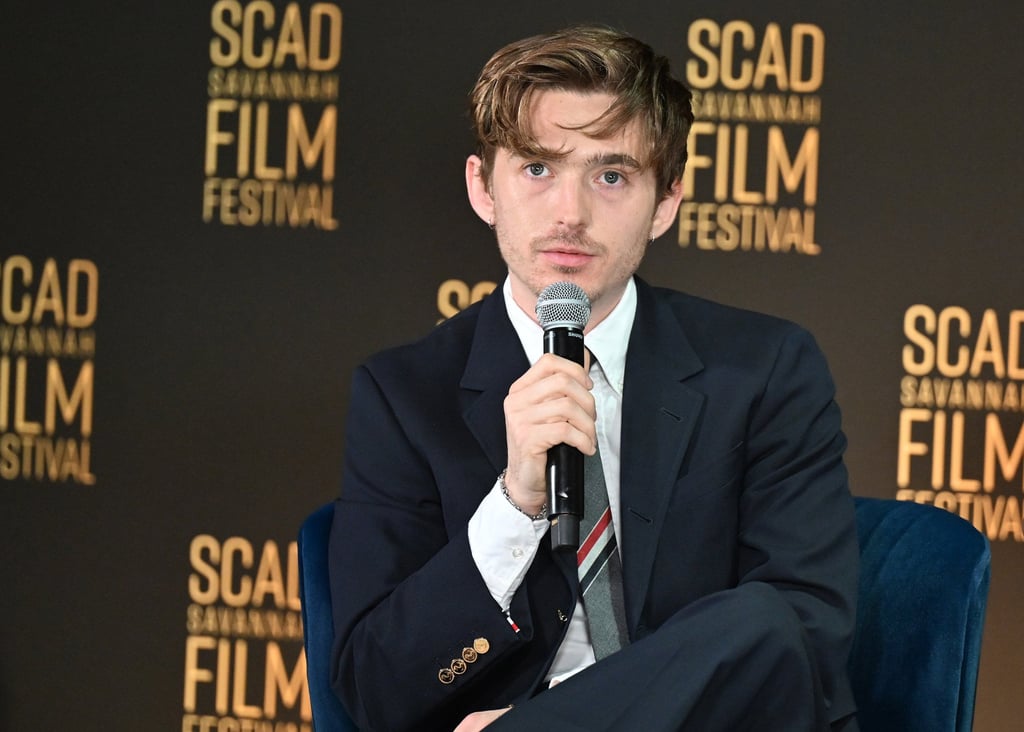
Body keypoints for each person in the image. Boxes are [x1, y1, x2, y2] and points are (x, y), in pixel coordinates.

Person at [328, 25, 859, 732]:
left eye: (611, 176)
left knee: (761, 618)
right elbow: (375, 691)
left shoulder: (765, 367)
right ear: (484, 188)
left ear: (665, 202)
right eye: (538, 169)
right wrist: (515, 506)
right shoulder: (403, 393)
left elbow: (801, 636)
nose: (569, 214)